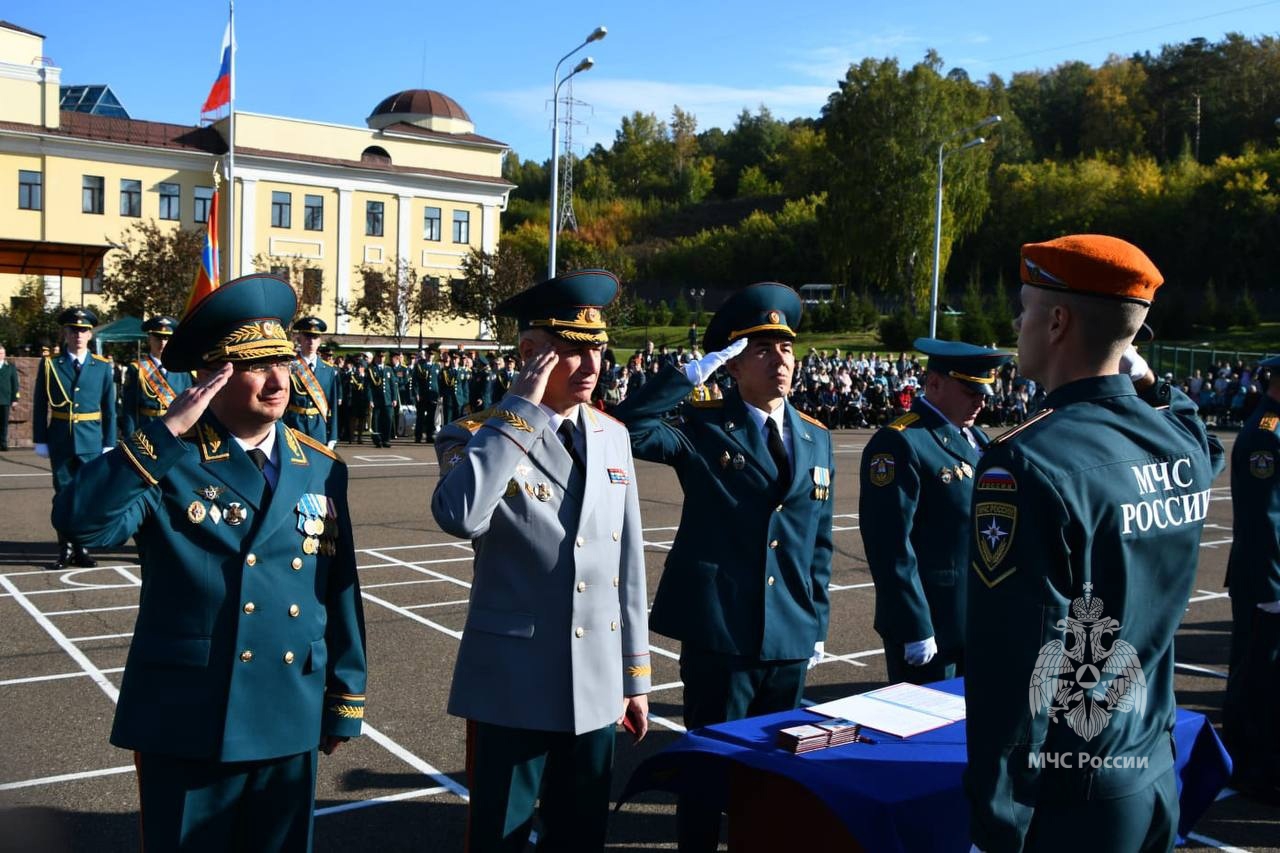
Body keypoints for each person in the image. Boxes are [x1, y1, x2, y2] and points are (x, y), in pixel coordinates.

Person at [52, 274, 367, 851]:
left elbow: (338, 589)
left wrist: (345, 697)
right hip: (191, 716)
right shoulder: (169, 459)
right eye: (255, 366)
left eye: (283, 362)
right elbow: (82, 523)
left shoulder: (321, 466)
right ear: (210, 375)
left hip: (289, 707)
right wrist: (166, 430)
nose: (278, 381)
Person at [965, 235, 1224, 852]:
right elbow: (1195, 430)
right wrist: (1143, 374)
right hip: (1154, 771)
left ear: (1057, 322)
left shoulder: (1026, 462)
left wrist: (997, 820)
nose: (1016, 323)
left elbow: (1015, 664)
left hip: (1070, 798)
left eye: (1025, 308)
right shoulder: (1180, 447)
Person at [431, 269, 650, 852]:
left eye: (598, 350)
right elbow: (461, 515)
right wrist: (519, 412)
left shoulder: (612, 434)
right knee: (499, 838)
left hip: (598, 681)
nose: (591, 365)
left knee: (581, 836)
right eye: (572, 351)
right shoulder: (475, 434)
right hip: (514, 682)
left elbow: (627, 564)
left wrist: (635, 677)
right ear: (530, 354)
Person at [614, 282, 833, 852]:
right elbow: (629, 426)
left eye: (785, 348)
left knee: (778, 776)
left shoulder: (816, 438)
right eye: (761, 349)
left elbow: (819, 544)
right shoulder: (707, 426)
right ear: (734, 365)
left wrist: (816, 623)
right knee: (710, 775)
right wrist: (691, 374)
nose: (779, 360)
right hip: (721, 631)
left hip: (788, 633)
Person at [860, 338, 1011, 685]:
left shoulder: (977, 440)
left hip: (975, 620)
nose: (981, 400)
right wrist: (913, 624)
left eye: (984, 391)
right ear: (934, 384)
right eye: (970, 390)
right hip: (931, 624)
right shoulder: (902, 441)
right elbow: (889, 543)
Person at [1222, 352, 1280, 805]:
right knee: (1258, 675)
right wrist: (1273, 590)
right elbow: (1266, 521)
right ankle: (1250, 767)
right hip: (1266, 578)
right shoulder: (1267, 436)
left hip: (1268, 574)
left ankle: (1254, 759)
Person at [33, 308, 117, 569]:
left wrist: (108, 442)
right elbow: (39, 405)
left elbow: (110, 408)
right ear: (65, 333)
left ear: (90, 334)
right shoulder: (50, 365)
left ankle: (81, 547)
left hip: (91, 442)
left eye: (83, 330)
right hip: (61, 439)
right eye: (73, 330)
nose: (78, 335)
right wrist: (41, 439)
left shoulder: (102, 366)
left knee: (87, 496)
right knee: (63, 495)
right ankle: (65, 548)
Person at [121, 316, 192, 438]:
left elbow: (189, 406)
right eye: (158, 337)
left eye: (167, 338)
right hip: (146, 433)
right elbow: (129, 409)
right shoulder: (136, 369)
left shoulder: (182, 370)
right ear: (150, 338)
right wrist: (129, 439)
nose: (163, 343)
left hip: (176, 434)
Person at [284, 316, 340, 449]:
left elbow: (333, 406)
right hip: (294, 425)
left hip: (318, 428)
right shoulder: (290, 366)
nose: (311, 341)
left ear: (320, 341)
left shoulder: (328, 370)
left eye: (315, 337)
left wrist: (332, 435)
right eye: (307, 337)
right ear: (300, 339)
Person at [367, 351, 398, 448]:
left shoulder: (388, 369)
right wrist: (370, 399)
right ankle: (377, 440)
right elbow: (368, 387)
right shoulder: (371, 369)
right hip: (377, 400)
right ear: (376, 358)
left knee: (388, 420)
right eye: (379, 357)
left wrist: (394, 398)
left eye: (383, 357)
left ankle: (386, 439)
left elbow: (393, 385)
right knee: (376, 421)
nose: (381, 359)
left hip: (387, 400)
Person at [413, 349, 441, 444]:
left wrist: (439, 394)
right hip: (422, 395)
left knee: (431, 417)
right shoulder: (420, 365)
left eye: (432, 355)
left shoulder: (437, 366)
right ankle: (418, 436)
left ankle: (429, 435)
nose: (430, 356)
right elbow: (415, 380)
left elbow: (439, 382)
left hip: (433, 395)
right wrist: (416, 393)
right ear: (426, 355)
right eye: (429, 354)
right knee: (420, 417)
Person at [0, 345, 19, 451]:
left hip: (5, 399)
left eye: (2, 353)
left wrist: (15, 399)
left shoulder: (10, 367)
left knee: (4, 423)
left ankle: (3, 443)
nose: (1, 355)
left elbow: (15, 383)